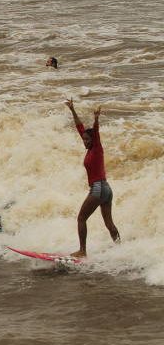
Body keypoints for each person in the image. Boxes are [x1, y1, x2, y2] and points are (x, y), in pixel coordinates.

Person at [65, 98, 121, 257]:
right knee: (109, 223)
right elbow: (80, 127)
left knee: (81, 218)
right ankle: (120, 249)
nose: (85, 141)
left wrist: (96, 119)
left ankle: (82, 251)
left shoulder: (96, 147)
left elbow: (95, 132)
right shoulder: (90, 148)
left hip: (98, 189)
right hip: (106, 189)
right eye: (84, 139)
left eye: (87, 139)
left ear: (93, 140)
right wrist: (72, 110)